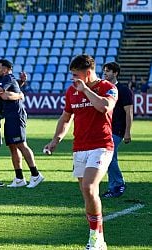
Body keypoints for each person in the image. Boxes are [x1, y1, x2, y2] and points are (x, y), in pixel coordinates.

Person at [43, 54, 117, 250]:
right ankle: (99, 237)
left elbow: (104, 107)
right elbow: (66, 118)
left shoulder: (108, 88)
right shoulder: (71, 91)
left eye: (76, 75)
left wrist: (85, 90)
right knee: (87, 195)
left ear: (88, 73)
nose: (73, 79)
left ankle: (94, 237)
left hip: (102, 146)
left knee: (90, 187)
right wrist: (55, 140)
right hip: (79, 148)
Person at [0, 59, 44, 188]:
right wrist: (19, 88)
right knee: (12, 146)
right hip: (9, 116)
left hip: (16, 116)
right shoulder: (8, 79)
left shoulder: (7, 78)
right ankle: (19, 178)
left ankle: (35, 175)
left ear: (6, 69)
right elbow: (8, 91)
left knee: (21, 144)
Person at [101, 62, 133, 198]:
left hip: (117, 130)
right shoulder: (102, 89)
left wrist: (127, 132)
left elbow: (129, 112)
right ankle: (114, 186)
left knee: (109, 157)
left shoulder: (124, 90)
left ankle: (118, 184)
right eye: (104, 71)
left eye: (108, 71)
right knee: (108, 157)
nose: (105, 74)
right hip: (105, 129)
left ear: (115, 73)